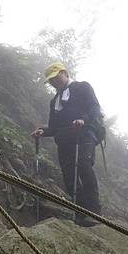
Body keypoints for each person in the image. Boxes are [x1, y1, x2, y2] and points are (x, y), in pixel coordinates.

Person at [31, 62, 102, 227]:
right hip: (64, 140)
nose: (54, 82)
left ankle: (95, 211)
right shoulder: (54, 101)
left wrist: (83, 120)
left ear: (65, 73)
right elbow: (54, 127)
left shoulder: (82, 87)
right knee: (69, 176)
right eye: (51, 80)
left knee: (84, 165)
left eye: (56, 77)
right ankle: (80, 212)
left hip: (84, 135)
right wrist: (43, 131)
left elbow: (94, 108)